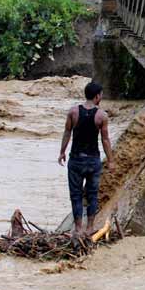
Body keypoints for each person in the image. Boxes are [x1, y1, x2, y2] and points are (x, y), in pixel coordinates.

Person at [59, 81, 112, 236]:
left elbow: (67, 132)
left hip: (75, 160)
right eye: (101, 94)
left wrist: (62, 152)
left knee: (75, 195)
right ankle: (89, 228)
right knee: (92, 195)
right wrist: (111, 160)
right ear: (97, 96)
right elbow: (105, 140)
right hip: (93, 161)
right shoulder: (102, 115)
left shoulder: (73, 112)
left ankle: (78, 228)